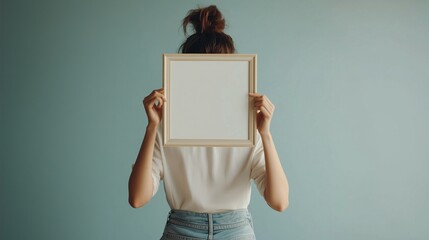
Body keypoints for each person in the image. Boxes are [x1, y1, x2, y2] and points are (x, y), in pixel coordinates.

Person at [128, 5, 289, 240]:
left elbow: (280, 201)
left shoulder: (248, 130)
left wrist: (265, 134)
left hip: (233, 230)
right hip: (184, 229)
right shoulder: (167, 130)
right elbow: (137, 198)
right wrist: (152, 126)